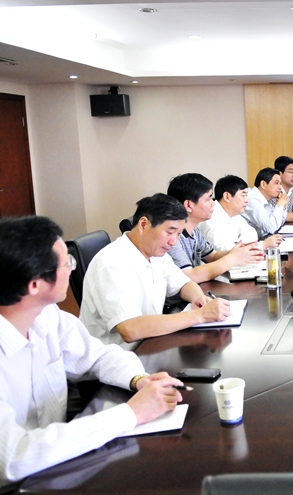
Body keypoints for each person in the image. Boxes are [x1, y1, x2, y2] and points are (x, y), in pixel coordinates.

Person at [0, 216, 185, 489]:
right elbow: (15, 457)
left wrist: (139, 379)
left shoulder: (47, 316)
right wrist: (131, 414)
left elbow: (98, 355)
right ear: (35, 284)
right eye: (66, 263)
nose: (71, 269)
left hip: (57, 465)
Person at [80, 194, 230, 348]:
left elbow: (184, 283)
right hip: (120, 355)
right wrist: (199, 315)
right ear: (143, 224)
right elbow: (130, 329)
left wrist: (199, 298)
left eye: (179, 234)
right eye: (170, 232)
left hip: (150, 342)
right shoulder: (111, 263)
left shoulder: (156, 253)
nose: (174, 242)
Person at [166, 173, 263, 282]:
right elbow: (190, 276)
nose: (213, 203)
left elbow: (212, 256)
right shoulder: (172, 236)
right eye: (208, 199)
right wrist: (232, 259)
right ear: (188, 205)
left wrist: (237, 252)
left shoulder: (194, 231)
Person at [198, 174, 283, 252]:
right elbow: (225, 251)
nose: (247, 200)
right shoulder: (211, 217)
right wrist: (262, 245)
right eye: (243, 195)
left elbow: (252, 233)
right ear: (227, 196)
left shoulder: (235, 214)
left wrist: (237, 244)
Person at [242, 167, 290, 240]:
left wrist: (283, 207)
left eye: (280, 183)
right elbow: (270, 228)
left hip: (260, 240)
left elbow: (278, 225)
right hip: (247, 244)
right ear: (263, 184)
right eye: (276, 183)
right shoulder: (252, 199)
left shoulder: (266, 199)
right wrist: (279, 205)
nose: (280, 187)